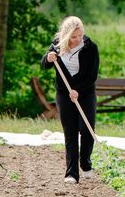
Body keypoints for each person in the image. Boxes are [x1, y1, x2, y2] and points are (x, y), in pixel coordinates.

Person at [41, 15, 99, 185]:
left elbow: (92, 75)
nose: (77, 39)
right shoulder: (57, 45)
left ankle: (85, 163)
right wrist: (48, 59)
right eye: (73, 37)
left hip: (86, 93)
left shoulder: (90, 48)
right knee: (70, 132)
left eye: (79, 36)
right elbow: (44, 64)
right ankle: (72, 173)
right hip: (63, 94)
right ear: (66, 35)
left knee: (87, 130)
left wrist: (77, 90)